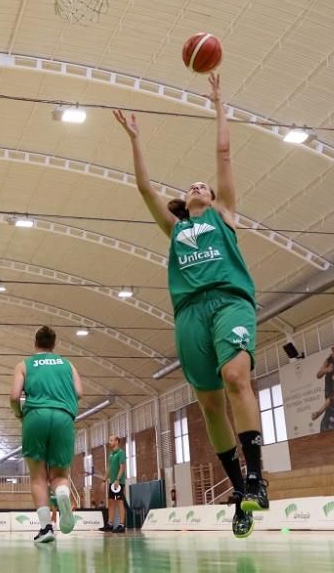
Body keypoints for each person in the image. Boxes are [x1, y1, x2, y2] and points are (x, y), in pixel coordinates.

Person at [114, 74, 266, 539]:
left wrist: (220, 104)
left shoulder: (225, 217)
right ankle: (240, 489)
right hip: (188, 316)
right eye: (194, 185)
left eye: (206, 186)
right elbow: (144, 189)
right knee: (208, 405)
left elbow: (222, 155)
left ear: (217, 200)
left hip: (229, 302)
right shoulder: (176, 228)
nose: (200, 186)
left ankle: (258, 476)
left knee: (235, 376)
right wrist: (136, 140)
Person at [10, 325, 82, 544]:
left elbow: (14, 396)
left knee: (38, 477)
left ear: (35, 343)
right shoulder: (68, 364)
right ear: (54, 344)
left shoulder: (24, 365)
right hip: (63, 416)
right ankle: (61, 492)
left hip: (35, 417)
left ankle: (46, 528)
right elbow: (79, 392)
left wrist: (19, 415)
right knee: (60, 475)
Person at [100, 436, 127, 533]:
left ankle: (121, 525)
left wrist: (117, 480)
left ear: (117, 441)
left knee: (119, 502)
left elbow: (122, 468)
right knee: (111, 502)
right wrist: (104, 480)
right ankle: (110, 524)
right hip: (112, 482)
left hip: (118, 482)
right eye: (109, 440)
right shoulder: (111, 454)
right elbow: (109, 469)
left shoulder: (120, 453)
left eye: (111, 440)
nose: (109, 442)